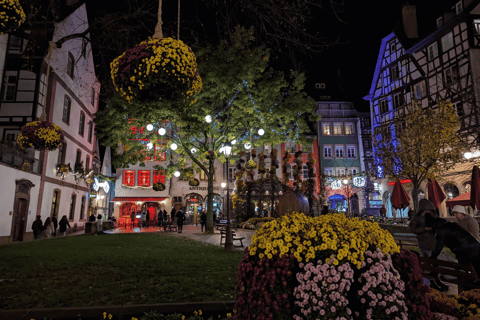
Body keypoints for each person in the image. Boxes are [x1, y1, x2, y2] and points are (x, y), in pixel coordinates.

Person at [427, 213, 480, 281]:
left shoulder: (440, 230)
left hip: (465, 252)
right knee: (477, 269)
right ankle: (475, 286)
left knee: (464, 273)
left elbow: (438, 248)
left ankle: (468, 288)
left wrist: (432, 257)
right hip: (476, 247)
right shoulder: (451, 224)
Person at [409, 199, 445, 290]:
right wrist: (424, 229)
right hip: (424, 243)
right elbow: (413, 228)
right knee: (430, 264)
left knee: (436, 264)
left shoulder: (433, 215)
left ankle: (437, 280)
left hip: (434, 242)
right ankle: (432, 281)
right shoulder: (417, 217)